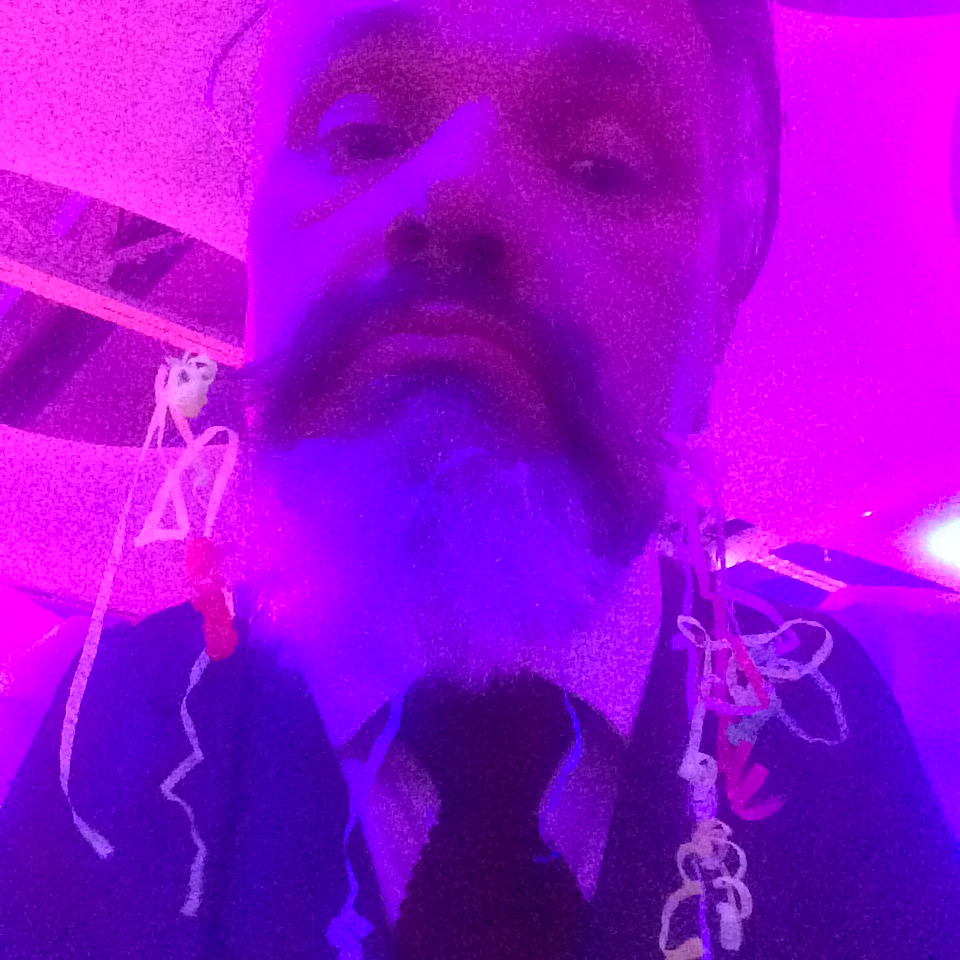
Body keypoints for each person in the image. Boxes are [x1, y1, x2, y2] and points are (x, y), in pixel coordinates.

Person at [0, 0, 957, 957]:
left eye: (601, 165)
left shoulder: (918, 728)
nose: (457, 187)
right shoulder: (43, 747)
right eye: (360, 136)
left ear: (717, 316)